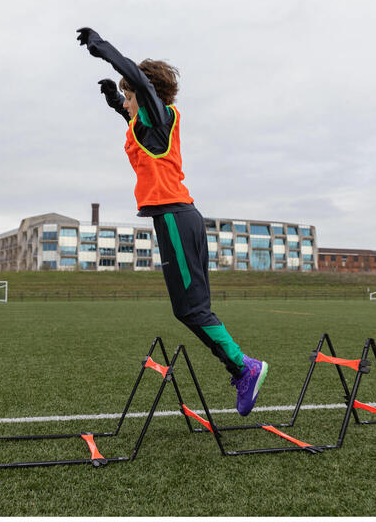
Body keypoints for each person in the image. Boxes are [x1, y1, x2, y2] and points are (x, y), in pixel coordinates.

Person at [76, 27, 268, 416]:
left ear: (145, 93)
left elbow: (141, 88)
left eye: (130, 97)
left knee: (192, 309)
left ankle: (245, 367)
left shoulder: (162, 117)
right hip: (175, 220)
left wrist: (103, 49)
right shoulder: (150, 125)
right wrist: (115, 99)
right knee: (189, 309)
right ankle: (240, 366)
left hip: (177, 220)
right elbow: (136, 121)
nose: (129, 104)